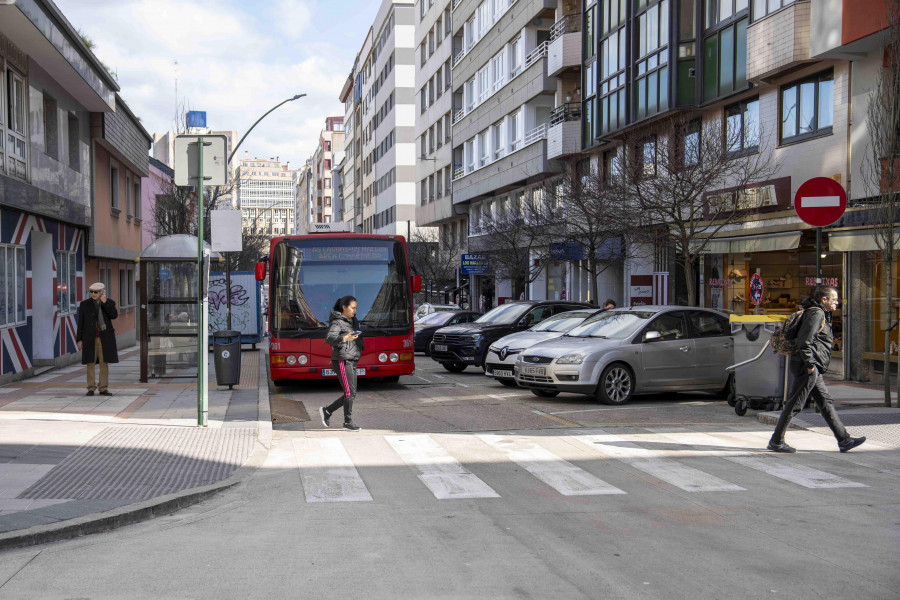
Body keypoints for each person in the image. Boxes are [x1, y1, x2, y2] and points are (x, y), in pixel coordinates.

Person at [767, 285, 866, 453]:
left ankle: (844, 440)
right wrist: (811, 365)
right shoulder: (816, 314)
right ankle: (776, 441)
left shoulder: (820, 313)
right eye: (834, 299)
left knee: (825, 402)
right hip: (807, 367)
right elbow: (804, 342)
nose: (837, 302)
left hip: (811, 366)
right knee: (795, 404)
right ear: (824, 300)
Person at [319, 295, 363, 431]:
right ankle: (347, 423)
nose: (355, 311)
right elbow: (330, 338)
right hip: (342, 360)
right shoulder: (338, 322)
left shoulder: (350, 321)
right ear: (344, 307)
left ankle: (327, 411)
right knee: (349, 392)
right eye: (352, 308)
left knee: (352, 393)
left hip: (351, 359)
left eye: (356, 308)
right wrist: (345, 337)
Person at [75, 282, 119, 396]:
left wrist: (105, 303)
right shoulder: (85, 304)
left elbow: (114, 315)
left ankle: (103, 388)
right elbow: (81, 323)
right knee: (90, 362)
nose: (93, 294)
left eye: (96, 292)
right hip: (90, 338)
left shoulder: (109, 303)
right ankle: (90, 388)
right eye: (91, 292)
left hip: (105, 338)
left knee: (104, 363)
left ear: (102, 293)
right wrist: (79, 339)